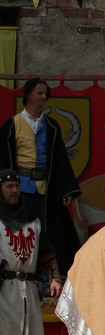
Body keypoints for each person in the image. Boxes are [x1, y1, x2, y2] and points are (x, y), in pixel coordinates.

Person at [0, 78, 82, 275]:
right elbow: (3, 157)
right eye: (39, 93)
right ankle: (21, 270)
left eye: (45, 93)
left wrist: (66, 188)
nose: (44, 97)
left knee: (44, 231)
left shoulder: (51, 126)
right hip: (19, 187)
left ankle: (48, 277)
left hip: (45, 187)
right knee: (19, 230)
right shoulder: (12, 124)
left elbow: (61, 158)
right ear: (28, 94)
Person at [0, 169, 62, 335]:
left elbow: (47, 253)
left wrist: (55, 277)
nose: (14, 190)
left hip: (28, 291)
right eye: (9, 187)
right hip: (3, 291)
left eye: (16, 186)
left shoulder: (33, 220)